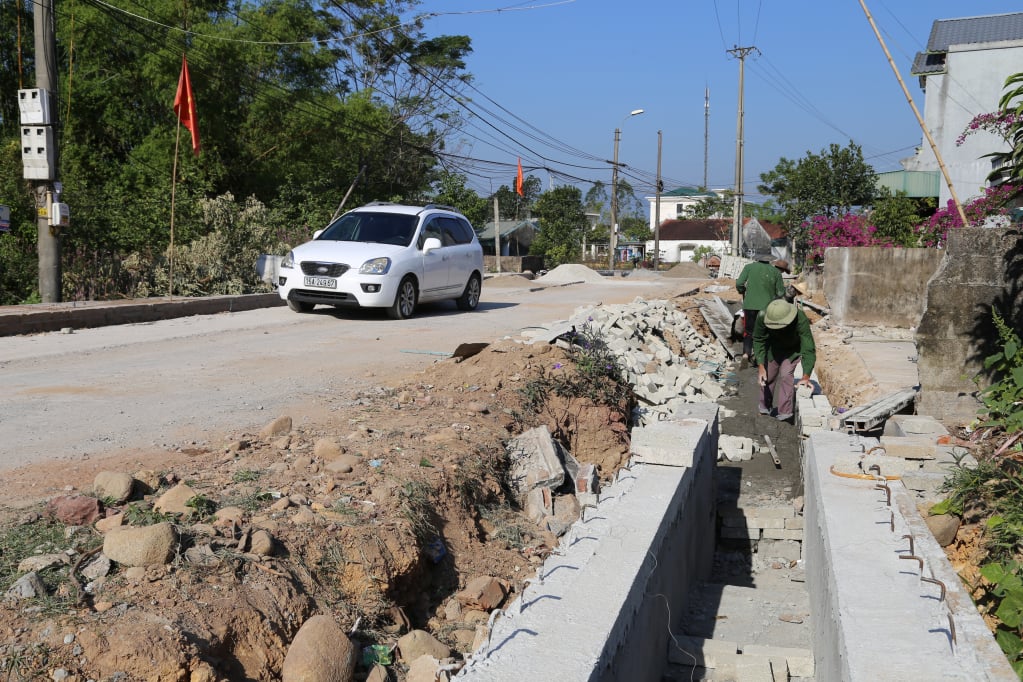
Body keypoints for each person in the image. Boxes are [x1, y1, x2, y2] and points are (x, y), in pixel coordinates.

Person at [753, 298, 816, 422]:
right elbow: (758, 339)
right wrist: (760, 365)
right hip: (772, 349)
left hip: (792, 350)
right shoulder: (762, 316)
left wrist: (806, 376)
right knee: (768, 377)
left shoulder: (799, 317)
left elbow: (808, 347)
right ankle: (765, 409)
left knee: (786, 376)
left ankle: (785, 415)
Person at [735, 252, 785, 361]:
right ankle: (760, 356)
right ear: (769, 259)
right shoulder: (775, 271)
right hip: (767, 308)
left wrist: (742, 290)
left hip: (750, 306)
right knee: (764, 333)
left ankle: (746, 354)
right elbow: (781, 292)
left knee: (749, 331)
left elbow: (739, 283)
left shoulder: (749, 267)